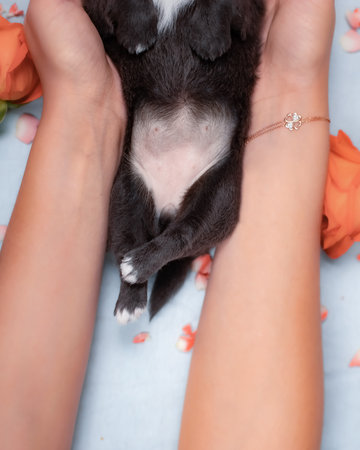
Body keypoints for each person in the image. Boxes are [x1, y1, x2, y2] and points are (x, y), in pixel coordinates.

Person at [0, 0, 334, 448]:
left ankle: (158, 253)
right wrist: (83, 103)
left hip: (218, 132)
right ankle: (138, 273)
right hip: (143, 133)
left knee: (214, 204)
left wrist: (287, 101)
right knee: (132, 194)